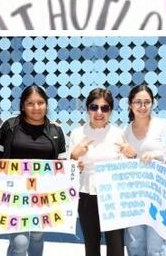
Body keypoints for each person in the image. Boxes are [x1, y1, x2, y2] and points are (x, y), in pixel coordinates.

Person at [0, 85, 68, 256]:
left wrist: (73, 167)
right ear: (22, 105)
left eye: (40, 103)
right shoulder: (10, 126)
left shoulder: (56, 130)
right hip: (14, 195)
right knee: (20, 242)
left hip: (43, 196)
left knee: (36, 237)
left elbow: (62, 163)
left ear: (46, 104)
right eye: (30, 103)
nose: (36, 108)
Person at [69, 88, 128, 256]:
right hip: (86, 194)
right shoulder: (76, 134)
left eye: (105, 108)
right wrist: (73, 156)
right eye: (94, 107)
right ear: (87, 109)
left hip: (113, 195)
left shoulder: (119, 133)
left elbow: (128, 167)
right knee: (91, 244)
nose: (99, 112)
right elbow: (68, 171)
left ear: (110, 111)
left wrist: (132, 154)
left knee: (116, 246)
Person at [122, 84, 166, 256]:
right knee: (134, 245)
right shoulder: (125, 132)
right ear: (130, 104)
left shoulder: (163, 126)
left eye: (147, 102)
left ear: (152, 104)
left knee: (157, 247)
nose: (142, 107)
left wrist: (157, 154)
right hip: (133, 197)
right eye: (138, 102)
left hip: (158, 196)